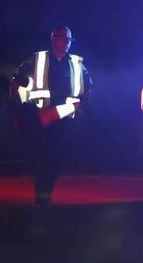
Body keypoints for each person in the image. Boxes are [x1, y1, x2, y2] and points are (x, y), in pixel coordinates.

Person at [9, 25, 92, 206]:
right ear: (54, 38)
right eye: (64, 38)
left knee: (56, 157)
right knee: (40, 156)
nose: (68, 43)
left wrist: (81, 108)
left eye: (70, 39)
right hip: (40, 119)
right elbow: (16, 81)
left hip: (64, 119)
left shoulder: (76, 63)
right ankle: (42, 192)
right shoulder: (38, 59)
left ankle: (46, 191)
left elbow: (87, 88)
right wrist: (19, 109)